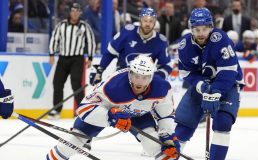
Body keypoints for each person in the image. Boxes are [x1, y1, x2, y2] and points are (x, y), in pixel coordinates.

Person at [46, 55, 180, 160]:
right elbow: (83, 109)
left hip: (139, 115)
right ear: (130, 73)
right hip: (106, 110)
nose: (139, 82)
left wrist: (168, 139)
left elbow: (166, 115)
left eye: (144, 78)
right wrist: (110, 117)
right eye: (136, 76)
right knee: (70, 145)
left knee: (157, 147)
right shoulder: (113, 85)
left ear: (151, 77)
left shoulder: (162, 88)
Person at [174, 8, 244, 160]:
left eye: (204, 29)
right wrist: (200, 85)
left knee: (223, 122)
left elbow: (229, 71)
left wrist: (216, 92)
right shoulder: (184, 45)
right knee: (184, 125)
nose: (200, 33)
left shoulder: (221, 39)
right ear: (191, 28)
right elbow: (187, 72)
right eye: (197, 29)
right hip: (202, 86)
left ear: (211, 27)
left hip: (227, 84)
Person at [90, 7, 172, 86]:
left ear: (154, 22)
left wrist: (157, 77)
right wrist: (100, 71)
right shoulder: (127, 33)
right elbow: (110, 53)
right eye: (145, 20)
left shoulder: (161, 41)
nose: (148, 24)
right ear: (140, 20)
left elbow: (166, 65)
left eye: (151, 21)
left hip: (143, 82)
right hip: (121, 78)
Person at [48, 3, 96, 119]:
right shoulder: (61, 25)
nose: (75, 13)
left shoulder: (84, 26)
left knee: (76, 84)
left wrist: (90, 58)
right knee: (57, 83)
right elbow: (54, 39)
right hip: (63, 58)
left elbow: (90, 42)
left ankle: (81, 110)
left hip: (77, 59)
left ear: (80, 13)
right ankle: (57, 110)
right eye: (73, 10)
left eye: (77, 11)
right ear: (70, 12)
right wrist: (51, 54)